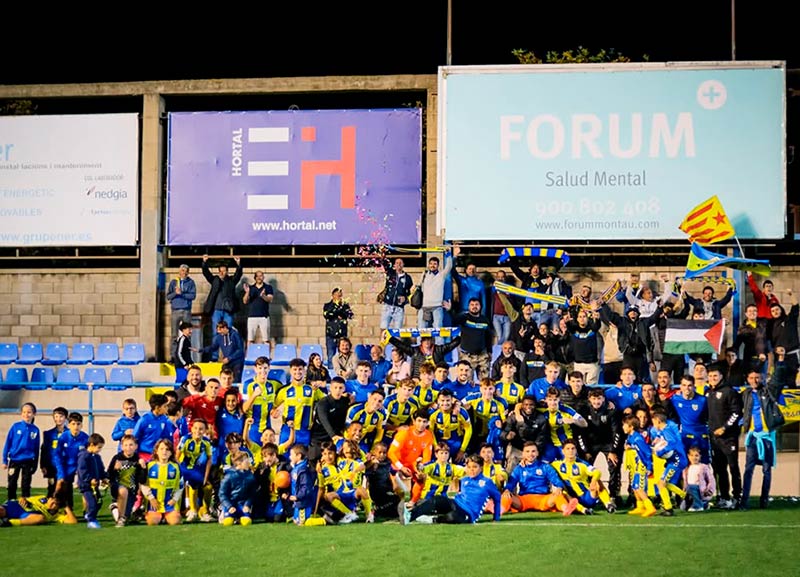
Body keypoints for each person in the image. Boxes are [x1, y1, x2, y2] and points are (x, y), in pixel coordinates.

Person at [739, 354, 788, 511]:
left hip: (767, 437)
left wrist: (780, 361)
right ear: (747, 379)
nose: (754, 380)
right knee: (748, 469)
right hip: (752, 437)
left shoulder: (768, 391)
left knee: (766, 470)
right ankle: (744, 501)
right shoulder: (745, 394)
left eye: (757, 377)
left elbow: (778, 379)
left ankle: (764, 501)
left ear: (761, 378)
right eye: (751, 378)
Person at [402, 453, 501, 525]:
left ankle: (434, 520)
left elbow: (497, 498)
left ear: (481, 468)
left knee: (452, 517)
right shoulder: (464, 479)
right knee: (437, 499)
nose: (471, 469)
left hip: (469, 513)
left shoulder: (487, 482)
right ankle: (410, 516)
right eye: (469, 467)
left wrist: (496, 518)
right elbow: (457, 490)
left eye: (475, 467)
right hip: (456, 503)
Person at [501, 441, 577, 515]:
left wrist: (559, 487)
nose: (530, 454)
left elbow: (555, 478)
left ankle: (566, 508)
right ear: (523, 454)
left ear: (537, 453)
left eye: (533, 451)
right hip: (524, 500)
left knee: (559, 495)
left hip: (543, 498)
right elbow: (511, 482)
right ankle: (499, 510)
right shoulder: (519, 468)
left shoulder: (545, 466)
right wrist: (507, 489)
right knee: (506, 496)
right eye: (527, 451)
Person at [706, 363, 743, 509]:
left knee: (733, 467)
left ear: (721, 376)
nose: (712, 378)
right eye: (710, 376)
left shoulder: (729, 392)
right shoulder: (708, 393)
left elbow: (736, 413)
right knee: (719, 469)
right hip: (714, 439)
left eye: (715, 375)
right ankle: (724, 497)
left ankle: (737, 497)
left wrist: (725, 428)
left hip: (728, 438)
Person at [577, 388, 622, 503]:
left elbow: (616, 432)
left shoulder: (611, 411)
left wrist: (612, 450)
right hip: (591, 444)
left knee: (614, 467)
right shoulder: (583, 410)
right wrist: (585, 451)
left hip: (608, 443)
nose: (596, 401)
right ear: (589, 399)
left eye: (599, 399)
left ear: (603, 399)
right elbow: (580, 433)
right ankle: (589, 495)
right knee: (586, 468)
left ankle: (614, 495)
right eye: (594, 399)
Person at [272, 358, 326, 452]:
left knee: (302, 460)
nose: (298, 372)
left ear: (304, 370)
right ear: (291, 371)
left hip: (304, 431)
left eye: (300, 369)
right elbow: (273, 408)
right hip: (287, 430)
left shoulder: (313, 389)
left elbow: (327, 400)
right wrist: (274, 413)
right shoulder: (284, 390)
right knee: (283, 459)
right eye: (295, 369)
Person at [552, 439, 615, 514]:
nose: (570, 451)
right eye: (568, 449)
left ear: (576, 450)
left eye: (573, 448)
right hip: (571, 498)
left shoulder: (582, 464)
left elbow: (597, 472)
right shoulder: (556, 465)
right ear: (563, 451)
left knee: (598, 481)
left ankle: (608, 504)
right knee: (562, 491)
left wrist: (593, 481)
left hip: (587, 497)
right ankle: (583, 510)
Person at [387, 408, 435, 502]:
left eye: (424, 422)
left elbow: (427, 456)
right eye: (419, 421)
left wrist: (422, 470)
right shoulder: (404, 433)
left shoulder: (429, 435)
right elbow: (391, 453)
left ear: (428, 423)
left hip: (412, 464)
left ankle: (413, 502)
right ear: (414, 421)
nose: (421, 424)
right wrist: (401, 467)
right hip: (397, 463)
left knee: (422, 478)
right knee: (398, 489)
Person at [650, 411, 688, 516]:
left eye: (654, 423)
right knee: (661, 483)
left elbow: (672, 443)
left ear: (658, 421)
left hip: (677, 460)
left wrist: (660, 452)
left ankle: (668, 508)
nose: (653, 426)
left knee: (662, 483)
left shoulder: (666, 430)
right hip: (673, 460)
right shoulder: (663, 431)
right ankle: (685, 495)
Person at [201, 254, 243, 347]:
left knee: (228, 332)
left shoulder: (231, 280)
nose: (222, 273)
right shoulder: (215, 280)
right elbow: (206, 273)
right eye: (221, 271)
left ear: (227, 272)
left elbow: (238, 274)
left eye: (224, 271)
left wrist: (238, 264)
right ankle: (214, 357)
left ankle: (228, 354)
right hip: (217, 310)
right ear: (218, 272)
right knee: (216, 332)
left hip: (228, 311)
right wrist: (204, 262)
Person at [447, 297, 493, 380]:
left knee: (485, 382)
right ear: (468, 306)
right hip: (466, 356)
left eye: (476, 304)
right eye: (472, 305)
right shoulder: (464, 318)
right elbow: (454, 320)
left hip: (482, 356)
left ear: (480, 306)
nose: (474, 306)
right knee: (466, 382)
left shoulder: (485, 320)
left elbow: (488, 336)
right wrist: (450, 310)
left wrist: (490, 351)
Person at [177, 418, 214, 522]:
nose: (198, 431)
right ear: (191, 429)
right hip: (183, 468)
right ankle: (186, 511)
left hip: (195, 471)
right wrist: (178, 472)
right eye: (196, 428)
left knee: (207, 487)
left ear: (205, 430)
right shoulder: (185, 439)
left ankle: (204, 511)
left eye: (201, 429)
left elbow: (209, 459)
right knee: (178, 486)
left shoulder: (206, 442)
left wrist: (205, 477)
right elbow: (177, 456)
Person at [501, 395, 549, 473]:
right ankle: (509, 482)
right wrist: (507, 436)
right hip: (517, 447)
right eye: (526, 405)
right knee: (512, 459)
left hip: (533, 450)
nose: (528, 407)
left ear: (535, 405)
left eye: (531, 405)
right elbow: (503, 433)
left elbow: (541, 439)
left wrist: (529, 453)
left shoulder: (541, 419)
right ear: (522, 405)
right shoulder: (514, 417)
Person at [141, 438, 183, 526]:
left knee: (175, 522)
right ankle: (156, 516)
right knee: (153, 522)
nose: (164, 452)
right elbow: (143, 484)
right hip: (154, 503)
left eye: (167, 449)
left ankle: (167, 516)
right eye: (161, 449)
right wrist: (151, 498)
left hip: (169, 503)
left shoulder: (175, 467)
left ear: (171, 452)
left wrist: (174, 499)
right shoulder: (150, 466)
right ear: (156, 451)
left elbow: (180, 485)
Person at [2, 402, 40, 501]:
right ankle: (11, 504)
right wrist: (5, 460)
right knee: (12, 483)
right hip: (15, 460)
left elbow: (36, 448)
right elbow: (8, 443)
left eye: (29, 412)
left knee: (26, 485)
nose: (26, 414)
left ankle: (25, 506)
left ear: (34, 414)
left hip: (28, 461)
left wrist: (35, 464)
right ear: (21, 413)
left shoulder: (35, 430)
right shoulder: (15, 427)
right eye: (24, 412)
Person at [386, 331, 462, 380]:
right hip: (419, 378)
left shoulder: (439, 349)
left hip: (435, 377)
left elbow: (450, 346)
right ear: (421, 341)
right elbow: (401, 346)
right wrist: (390, 339)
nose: (427, 342)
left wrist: (460, 336)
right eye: (425, 340)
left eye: (428, 340)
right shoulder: (415, 350)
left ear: (432, 341)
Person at [621, 414, 657, 516]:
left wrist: (649, 467)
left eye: (624, 425)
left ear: (631, 427)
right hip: (636, 465)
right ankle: (640, 506)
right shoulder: (631, 437)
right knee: (635, 487)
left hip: (642, 465)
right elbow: (629, 444)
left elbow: (647, 453)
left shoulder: (638, 439)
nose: (623, 427)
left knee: (640, 488)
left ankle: (650, 507)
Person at [671, 374, 711, 463]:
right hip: (685, 436)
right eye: (684, 385)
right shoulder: (675, 399)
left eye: (689, 385)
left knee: (704, 464)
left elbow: (709, 416)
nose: (687, 388)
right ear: (680, 386)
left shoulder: (702, 400)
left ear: (694, 386)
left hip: (701, 436)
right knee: (685, 464)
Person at [309, 377, 350, 463]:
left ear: (344, 389)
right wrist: (333, 435)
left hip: (334, 437)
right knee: (315, 460)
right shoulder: (323, 403)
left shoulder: (345, 402)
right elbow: (324, 420)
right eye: (335, 388)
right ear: (330, 388)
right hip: (319, 437)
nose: (338, 390)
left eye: (340, 388)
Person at [54, 412, 89, 510]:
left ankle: (87, 512)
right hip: (66, 466)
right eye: (73, 424)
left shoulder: (85, 438)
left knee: (85, 488)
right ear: (69, 425)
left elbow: (88, 456)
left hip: (80, 466)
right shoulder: (63, 437)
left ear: (81, 425)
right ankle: (62, 507)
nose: (76, 427)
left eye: (78, 424)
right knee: (62, 484)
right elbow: (57, 455)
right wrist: (61, 473)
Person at [107, 434, 143, 527]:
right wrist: (115, 469)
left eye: (131, 445)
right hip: (118, 488)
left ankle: (115, 508)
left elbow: (141, 479)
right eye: (126, 445)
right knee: (123, 491)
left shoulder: (138, 459)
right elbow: (109, 475)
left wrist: (143, 468)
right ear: (122, 446)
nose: (128, 448)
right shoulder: (117, 458)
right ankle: (121, 517)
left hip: (131, 490)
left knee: (127, 516)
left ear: (136, 446)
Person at [416, 249, 455, 336]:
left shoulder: (441, 275)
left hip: (437, 307)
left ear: (438, 265)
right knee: (421, 330)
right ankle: (419, 347)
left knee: (438, 330)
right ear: (428, 264)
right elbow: (418, 286)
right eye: (431, 263)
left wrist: (448, 254)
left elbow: (449, 266)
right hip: (424, 306)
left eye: (435, 264)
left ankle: (438, 347)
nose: (432, 265)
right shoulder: (425, 274)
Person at [242, 356, 278, 445]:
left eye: (265, 368)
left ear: (269, 368)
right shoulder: (248, 385)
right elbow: (244, 409)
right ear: (255, 369)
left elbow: (275, 403)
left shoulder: (273, 385)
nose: (263, 371)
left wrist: (274, 410)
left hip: (268, 429)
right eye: (260, 368)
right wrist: (254, 395)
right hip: (253, 429)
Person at [285, 443, 325, 526]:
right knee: (296, 521)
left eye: (291, 455)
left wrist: (298, 496)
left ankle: (324, 520)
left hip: (303, 502)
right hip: (298, 502)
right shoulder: (297, 468)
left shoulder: (303, 470)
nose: (290, 457)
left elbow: (306, 487)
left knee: (303, 523)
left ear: (299, 456)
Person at [429, 389, 472, 463]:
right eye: (442, 400)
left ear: (452, 400)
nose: (445, 403)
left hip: (456, 442)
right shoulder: (433, 413)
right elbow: (430, 431)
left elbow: (468, 430)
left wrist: (462, 449)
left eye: (448, 400)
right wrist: (436, 447)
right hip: (440, 442)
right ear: (438, 401)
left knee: (460, 465)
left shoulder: (461, 412)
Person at [364, 443, 403, 519]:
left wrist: (395, 482)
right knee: (395, 502)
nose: (382, 455)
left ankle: (382, 511)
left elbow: (392, 473)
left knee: (398, 501)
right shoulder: (370, 464)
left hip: (387, 490)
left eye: (384, 453)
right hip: (376, 492)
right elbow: (366, 477)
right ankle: (378, 510)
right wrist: (373, 465)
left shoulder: (387, 462)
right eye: (380, 452)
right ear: (374, 453)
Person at [77, 433, 108, 529]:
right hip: (86, 486)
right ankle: (91, 520)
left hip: (95, 486)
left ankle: (88, 514)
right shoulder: (83, 457)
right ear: (91, 445)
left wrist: (104, 478)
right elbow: (82, 471)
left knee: (99, 502)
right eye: (98, 447)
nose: (100, 450)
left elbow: (101, 469)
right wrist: (89, 480)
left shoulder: (97, 457)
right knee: (92, 503)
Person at [219, 451, 258, 526]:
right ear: (239, 463)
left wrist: (247, 505)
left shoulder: (250, 476)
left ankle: (240, 516)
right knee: (228, 522)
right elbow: (222, 494)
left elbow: (252, 493)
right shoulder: (229, 476)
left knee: (246, 522)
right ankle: (223, 511)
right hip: (231, 503)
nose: (248, 462)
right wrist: (229, 506)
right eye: (246, 460)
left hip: (242, 504)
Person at [768, 289, 799, 384]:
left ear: (781, 309)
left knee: (793, 382)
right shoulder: (770, 325)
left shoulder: (789, 319)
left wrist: (791, 294)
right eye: (772, 311)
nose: (775, 312)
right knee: (779, 382)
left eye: (777, 309)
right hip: (779, 358)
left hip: (793, 356)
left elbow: (795, 307)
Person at [132, 393, 173, 462]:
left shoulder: (165, 420)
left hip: (159, 456)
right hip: (144, 455)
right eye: (165, 406)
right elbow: (134, 438)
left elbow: (168, 439)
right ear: (157, 408)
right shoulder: (144, 420)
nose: (167, 408)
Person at [0, 492, 77, 527]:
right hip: (17, 506)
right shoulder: (42, 498)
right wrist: (22, 498)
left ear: (59, 507)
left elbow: (73, 521)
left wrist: (66, 506)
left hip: (27, 515)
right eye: (51, 500)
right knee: (1, 511)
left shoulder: (57, 515)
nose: (51, 504)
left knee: (40, 518)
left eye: (55, 504)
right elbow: (25, 498)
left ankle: (7, 522)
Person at [242, 269, 274, 351]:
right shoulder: (251, 288)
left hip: (264, 316)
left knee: (266, 339)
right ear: (255, 278)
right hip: (252, 316)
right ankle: (249, 355)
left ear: (263, 277)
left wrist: (263, 296)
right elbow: (245, 301)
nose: (259, 278)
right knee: (250, 339)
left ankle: (267, 356)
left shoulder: (268, 287)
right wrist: (247, 292)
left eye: (261, 276)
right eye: (258, 276)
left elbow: (270, 299)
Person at [40, 406, 68, 498]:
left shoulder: (69, 433)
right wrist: (43, 465)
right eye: (56, 416)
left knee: (64, 489)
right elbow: (44, 450)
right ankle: (50, 509)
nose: (58, 419)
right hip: (51, 466)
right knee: (51, 488)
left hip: (65, 465)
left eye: (61, 416)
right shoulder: (48, 434)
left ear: (65, 418)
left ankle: (65, 510)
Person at [379, 256, 414, 330]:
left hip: (399, 308)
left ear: (403, 264)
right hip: (387, 306)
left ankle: (395, 342)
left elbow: (411, 294)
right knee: (383, 329)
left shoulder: (408, 278)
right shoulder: (390, 273)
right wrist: (382, 253)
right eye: (397, 263)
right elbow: (383, 262)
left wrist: (406, 299)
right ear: (394, 265)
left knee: (397, 331)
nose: (398, 264)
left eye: (400, 263)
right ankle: (383, 342)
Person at [166, 263, 196, 342]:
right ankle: (173, 354)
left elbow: (193, 296)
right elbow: (168, 297)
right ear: (179, 271)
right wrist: (175, 293)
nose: (184, 273)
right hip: (175, 311)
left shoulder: (191, 282)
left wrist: (182, 294)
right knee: (174, 335)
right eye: (182, 271)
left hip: (186, 311)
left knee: (187, 334)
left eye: (186, 271)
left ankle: (185, 353)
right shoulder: (173, 282)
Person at [324, 288, 354, 366]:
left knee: (343, 357)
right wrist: (337, 310)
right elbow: (327, 315)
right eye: (337, 295)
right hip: (331, 335)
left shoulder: (345, 305)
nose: (339, 297)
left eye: (340, 295)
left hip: (342, 336)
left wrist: (341, 311)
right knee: (331, 356)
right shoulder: (327, 305)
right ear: (333, 295)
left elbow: (350, 315)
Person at [682, 446, 716, 512]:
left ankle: (698, 506)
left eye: (696, 455)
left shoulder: (703, 467)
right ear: (688, 456)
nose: (694, 458)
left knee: (691, 486)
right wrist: (684, 490)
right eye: (692, 455)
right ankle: (704, 504)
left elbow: (711, 479)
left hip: (701, 491)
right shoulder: (686, 469)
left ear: (700, 456)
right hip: (690, 491)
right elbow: (685, 481)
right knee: (683, 507)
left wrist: (709, 490)